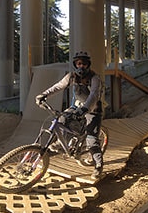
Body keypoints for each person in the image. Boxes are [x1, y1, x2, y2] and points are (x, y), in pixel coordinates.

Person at [35, 50, 105, 179]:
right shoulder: (72, 76)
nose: (81, 66)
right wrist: (44, 94)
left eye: (83, 64)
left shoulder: (95, 78)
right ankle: (61, 144)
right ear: (75, 64)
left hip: (93, 110)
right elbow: (58, 86)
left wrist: (85, 109)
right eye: (78, 63)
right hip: (76, 107)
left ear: (88, 64)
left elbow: (94, 95)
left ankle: (98, 166)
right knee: (61, 120)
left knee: (92, 140)